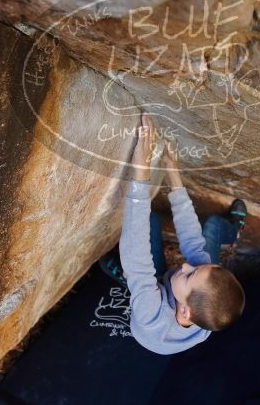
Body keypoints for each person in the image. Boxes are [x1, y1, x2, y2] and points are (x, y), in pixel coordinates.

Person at [100, 114, 247, 355]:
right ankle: (231, 233)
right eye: (197, 269)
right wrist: (173, 174)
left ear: (185, 312)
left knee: (147, 225)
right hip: (168, 291)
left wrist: (141, 170)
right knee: (210, 227)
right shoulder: (203, 299)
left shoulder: (152, 315)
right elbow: (191, 239)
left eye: (190, 275)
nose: (186, 264)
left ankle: (135, 285)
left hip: (154, 297)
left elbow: (137, 256)